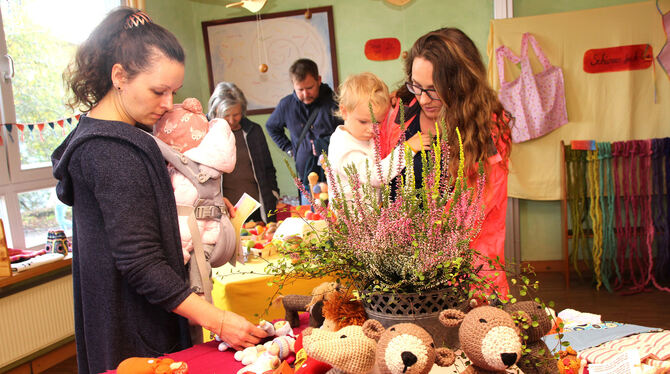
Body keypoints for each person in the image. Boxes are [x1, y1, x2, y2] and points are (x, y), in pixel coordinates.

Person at [52, 8, 266, 373]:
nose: (169, 104)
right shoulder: (111, 151)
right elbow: (141, 261)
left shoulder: (114, 137)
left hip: (135, 317)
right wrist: (218, 320)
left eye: (173, 91)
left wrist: (199, 208)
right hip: (135, 328)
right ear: (119, 75)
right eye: (158, 91)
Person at [391, 27, 513, 297]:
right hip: (406, 277)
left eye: (434, 90)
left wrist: (416, 244)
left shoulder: (486, 129)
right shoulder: (405, 112)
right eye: (417, 86)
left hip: (468, 280)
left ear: (461, 83)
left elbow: (474, 213)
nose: (423, 99)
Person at [327, 72, 432, 201]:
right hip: (350, 218)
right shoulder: (344, 148)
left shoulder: (360, 135)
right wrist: (408, 148)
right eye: (363, 122)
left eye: (377, 122)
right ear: (344, 112)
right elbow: (376, 176)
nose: (372, 129)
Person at [265, 58, 342, 204]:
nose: (305, 94)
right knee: (312, 222)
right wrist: (289, 149)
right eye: (300, 89)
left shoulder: (335, 101)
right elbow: (272, 127)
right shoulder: (286, 105)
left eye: (309, 88)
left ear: (319, 80)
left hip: (335, 179)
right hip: (306, 181)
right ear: (293, 85)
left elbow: (347, 131)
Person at [208, 82, 279, 223]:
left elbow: (268, 168)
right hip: (225, 210)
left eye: (237, 114)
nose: (232, 120)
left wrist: (274, 194)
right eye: (226, 115)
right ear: (216, 111)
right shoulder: (206, 132)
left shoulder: (254, 131)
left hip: (258, 208)